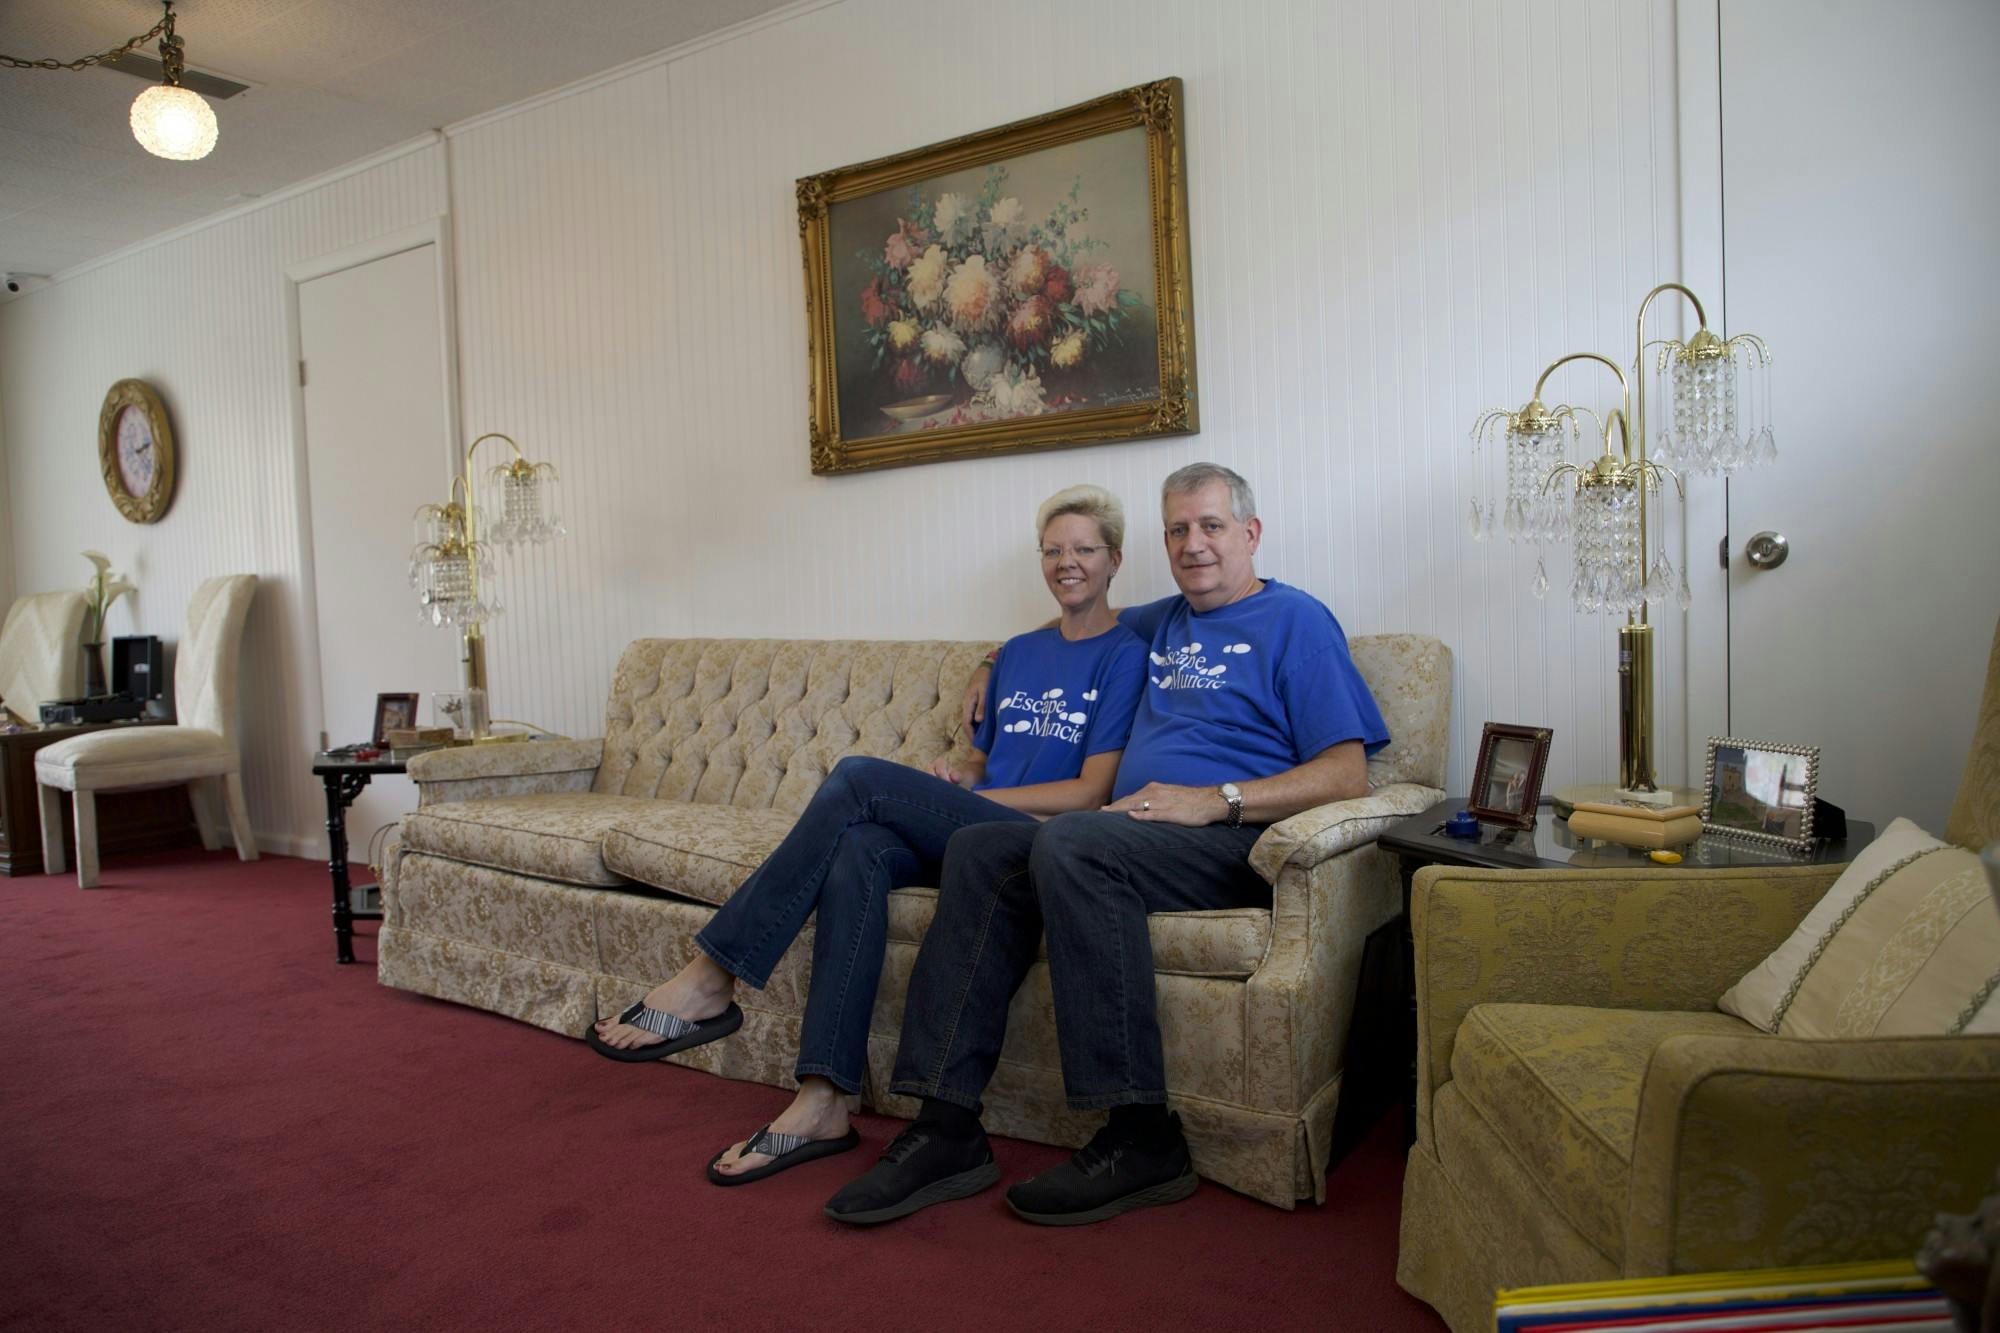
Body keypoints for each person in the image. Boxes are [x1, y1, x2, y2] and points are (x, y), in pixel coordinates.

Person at [824, 461, 1390, 1226]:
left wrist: (1216, 800)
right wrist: (989, 661)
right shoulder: (1162, 620)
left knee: (1074, 844)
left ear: (1251, 533)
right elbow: (1074, 614)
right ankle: (945, 1123)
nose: (1195, 544)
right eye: (1179, 529)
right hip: (1138, 832)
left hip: (1228, 840)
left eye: (1213, 526)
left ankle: (1141, 1134)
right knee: (986, 846)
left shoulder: (1296, 621)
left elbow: (1348, 772)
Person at [587, 485, 1148, 1185]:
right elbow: (985, 755)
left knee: (858, 779)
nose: (1067, 562)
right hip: (975, 824)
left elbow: (1091, 790)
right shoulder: (1018, 651)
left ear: (1115, 559)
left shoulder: (1127, 655)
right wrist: (962, 769)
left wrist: (963, 793)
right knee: (856, 847)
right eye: (1053, 549)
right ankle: (823, 1097)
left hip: (1036, 839)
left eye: (1084, 550)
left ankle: (714, 973)